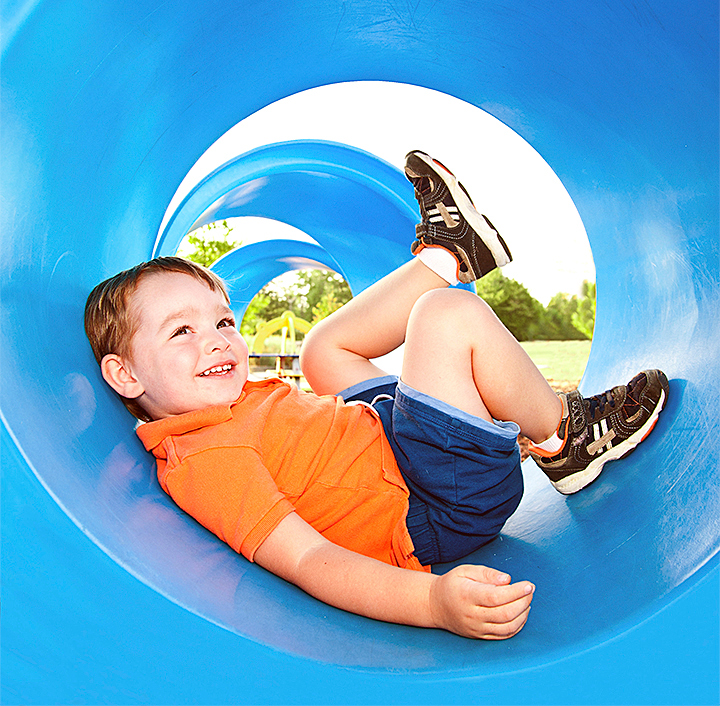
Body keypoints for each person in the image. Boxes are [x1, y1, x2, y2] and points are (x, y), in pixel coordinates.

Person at [84, 150, 669, 640]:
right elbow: (312, 561)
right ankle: (567, 439)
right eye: (182, 331)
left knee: (320, 352)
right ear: (126, 376)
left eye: (223, 322)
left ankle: (450, 255)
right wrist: (432, 603)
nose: (218, 341)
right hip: (434, 499)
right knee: (444, 317)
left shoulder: (222, 407)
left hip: (385, 437)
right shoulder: (208, 460)